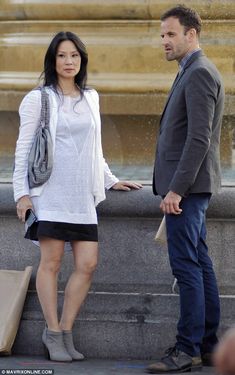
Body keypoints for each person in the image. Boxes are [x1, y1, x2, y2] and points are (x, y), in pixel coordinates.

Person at [13, 31, 142, 362]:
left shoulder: (91, 97)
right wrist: (21, 195)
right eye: (61, 56)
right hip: (51, 194)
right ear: (52, 60)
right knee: (52, 263)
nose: (68, 61)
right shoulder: (39, 98)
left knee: (87, 263)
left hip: (81, 196)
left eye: (74, 55)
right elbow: (24, 150)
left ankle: (65, 330)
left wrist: (111, 180)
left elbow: (94, 148)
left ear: (81, 60)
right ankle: (52, 331)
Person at [147, 5, 224, 374]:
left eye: (170, 34)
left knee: (187, 267)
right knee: (200, 264)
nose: (164, 40)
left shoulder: (199, 74)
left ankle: (187, 348)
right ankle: (208, 344)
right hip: (191, 188)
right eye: (162, 34)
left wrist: (175, 190)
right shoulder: (191, 71)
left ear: (191, 34)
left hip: (188, 190)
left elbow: (198, 139)